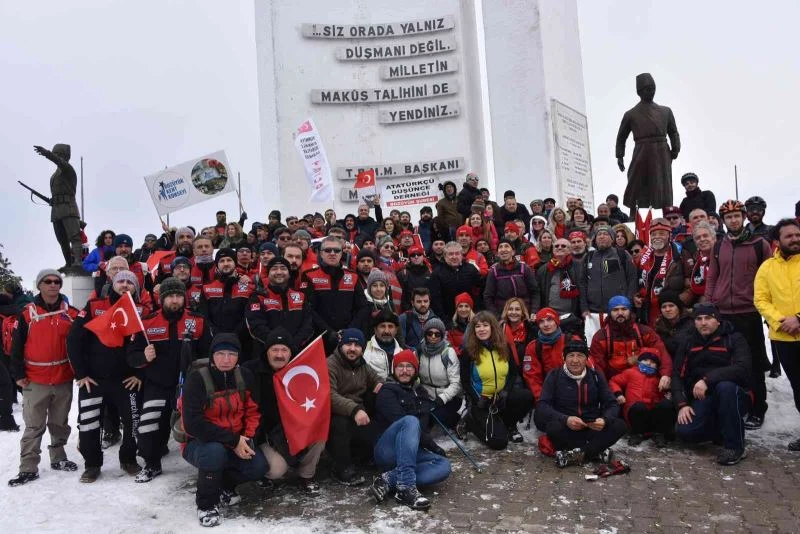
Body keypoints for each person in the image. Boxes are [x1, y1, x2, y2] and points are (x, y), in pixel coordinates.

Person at [127, 277, 210, 482]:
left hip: (190, 385)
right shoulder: (147, 322)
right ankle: (152, 464)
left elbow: (208, 353)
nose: (175, 301)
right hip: (158, 384)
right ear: (162, 299)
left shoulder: (197, 321)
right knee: (148, 426)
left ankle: (207, 466)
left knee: (199, 424)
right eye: (170, 296)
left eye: (178, 296)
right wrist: (142, 358)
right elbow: (131, 354)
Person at [180, 333, 266, 527]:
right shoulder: (197, 379)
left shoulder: (245, 376)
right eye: (220, 354)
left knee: (259, 466)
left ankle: (224, 486)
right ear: (212, 356)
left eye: (231, 354)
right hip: (199, 442)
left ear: (238, 357)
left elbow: (254, 412)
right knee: (214, 452)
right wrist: (233, 441)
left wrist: (248, 438)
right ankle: (207, 504)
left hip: (235, 439)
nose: (226, 360)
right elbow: (193, 423)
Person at [67, 271, 145, 482]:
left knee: (133, 422)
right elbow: (74, 340)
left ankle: (128, 459)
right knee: (89, 423)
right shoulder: (94, 306)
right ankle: (92, 464)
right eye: (121, 281)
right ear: (113, 283)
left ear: (136, 288)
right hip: (94, 380)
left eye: (130, 282)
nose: (125, 285)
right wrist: (81, 373)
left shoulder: (141, 310)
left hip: (126, 380)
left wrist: (139, 373)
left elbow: (146, 346)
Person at [7, 270, 80, 486]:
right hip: (35, 379)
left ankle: (58, 458)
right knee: (34, 426)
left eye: (57, 281)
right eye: (48, 281)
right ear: (39, 285)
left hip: (63, 377)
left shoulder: (71, 313)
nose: (53, 285)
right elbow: (16, 347)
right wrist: (18, 375)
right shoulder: (27, 313)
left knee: (59, 423)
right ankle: (28, 468)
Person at [705, 200, 772, 429]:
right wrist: (710, 301)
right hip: (723, 312)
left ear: (743, 217)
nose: (733, 220)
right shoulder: (718, 245)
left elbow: (769, 277)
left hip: (749, 312)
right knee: (726, 360)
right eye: (728, 217)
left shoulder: (759, 244)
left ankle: (757, 408)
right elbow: (713, 276)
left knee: (753, 362)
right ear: (723, 221)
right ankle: (735, 404)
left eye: (736, 216)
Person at [244, 328, 324, 493]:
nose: (279, 354)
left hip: (292, 428)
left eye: (284, 350)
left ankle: (306, 475)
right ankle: (262, 472)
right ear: (267, 352)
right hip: (262, 434)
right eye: (274, 349)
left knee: (320, 433)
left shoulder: (300, 372)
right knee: (277, 470)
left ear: (291, 353)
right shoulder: (249, 371)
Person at [672, 303, 752, 465]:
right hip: (704, 397)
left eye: (708, 318)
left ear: (718, 321)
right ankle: (722, 430)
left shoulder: (734, 338)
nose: (703, 323)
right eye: (699, 319)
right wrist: (681, 404)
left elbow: (742, 368)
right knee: (686, 431)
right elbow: (676, 375)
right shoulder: (689, 342)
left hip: (735, 394)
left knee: (726, 388)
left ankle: (735, 447)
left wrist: (707, 379)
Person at [371, 350, 451, 510]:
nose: (405, 370)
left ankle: (388, 480)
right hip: (388, 450)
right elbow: (404, 423)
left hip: (411, 451)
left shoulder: (421, 393)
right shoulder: (387, 391)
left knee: (443, 465)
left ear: (415, 370)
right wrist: (430, 444)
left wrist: (434, 447)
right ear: (394, 370)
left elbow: (423, 428)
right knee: (409, 421)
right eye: (400, 366)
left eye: (409, 366)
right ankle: (405, 487)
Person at [534, 336, 627, 467]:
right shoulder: (554, 375)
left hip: (591, 426)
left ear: (586, 358)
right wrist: (566, 419)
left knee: (619, 425)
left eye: (580, 356)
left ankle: (578, 454)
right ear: (564, 358)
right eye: (571, 355)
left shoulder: (595, 375)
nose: (575, 360)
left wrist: (604, 420)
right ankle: (595, 451)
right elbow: (543, 405)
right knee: (552, 428)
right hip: (566, 427)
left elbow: (611, 403)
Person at [754, 219, 800, 450]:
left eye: (797, 234)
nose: (795, 239)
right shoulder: (767, 267)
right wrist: (779, 320)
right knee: (798, 386)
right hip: (784, 337)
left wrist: (798, 319)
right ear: (778, 241)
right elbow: (761, 299)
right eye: (789, 236)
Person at [459, 312, 533, 448]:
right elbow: (465, 381)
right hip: (481, 401)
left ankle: (509, 425)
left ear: (492, 327)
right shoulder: (468, 352)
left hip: (500, 398)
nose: (481, 329)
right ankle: (469, 420)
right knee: (499, 442)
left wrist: (505, 391)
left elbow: (513, 373)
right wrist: (477, 399)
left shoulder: (504, 347)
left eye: (485, 325)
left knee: (526, 396)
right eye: (477, 326)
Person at [615, 73, 681, 214]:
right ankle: (637, 214)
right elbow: (621, 137)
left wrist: (675, 148)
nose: (650, 91)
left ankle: (665, 214)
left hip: (661, 151)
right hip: (641, 151)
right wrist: (619, 156)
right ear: (639, 92)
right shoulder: (631, 114)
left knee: (662, 186)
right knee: (637, 184)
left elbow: (673, 132)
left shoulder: (666, 111)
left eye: (652, 88)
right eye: (646, 89)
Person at [327, 329, 383, 486]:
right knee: (341, 424)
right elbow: (329, 395)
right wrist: (355, 409)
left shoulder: (362, 364)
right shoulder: (330, 364)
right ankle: (340, 467)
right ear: (341, 345)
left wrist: (382, 387)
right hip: (335, 415)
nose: (352, 348)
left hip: (358, 413)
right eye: (348, 344)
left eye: (357, 345)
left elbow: (377, 380)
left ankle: (362, 456)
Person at [301, 236, 365, 353]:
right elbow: (308, 309)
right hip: (319, 337)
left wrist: (349, 330)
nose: (332, 253)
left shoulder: (353, 276)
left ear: (341, 253)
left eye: (336, 250)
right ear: (321, 253)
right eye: (328, 250)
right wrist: (328, 332)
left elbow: (362, 307)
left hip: (347, 339)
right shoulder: (310, 276)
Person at [589, 296, 671, 384]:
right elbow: (598, 367)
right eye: (615, 310)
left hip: (644, 380)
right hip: (613, 382)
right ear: (609, 312)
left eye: (624, 309)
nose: (620, 313)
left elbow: (661, 352)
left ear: (630, 311)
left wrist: (665, 375)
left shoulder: (644, 331)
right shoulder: (600, 337)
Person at [33, 144, 84, 272]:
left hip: (69, 208)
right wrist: (53, 200)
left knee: (74, 237)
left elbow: (59, 162)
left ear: (63, 156)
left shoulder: (68, 169)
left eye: (57, 154)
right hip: (56, 210)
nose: (56, 157)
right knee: (62, 240)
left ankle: (77, 262)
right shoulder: (54, 175)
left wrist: (47, 153)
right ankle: (68, 263)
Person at [246, 256, 313, 355]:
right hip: (266, 354)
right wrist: (278, 346)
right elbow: (256, 326)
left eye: (283, 268)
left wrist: (292, 345)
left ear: (289, 274)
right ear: (268, 274)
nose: (279, 272)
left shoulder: (301, 296)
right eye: (274, 269)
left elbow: (308, 325)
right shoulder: (258, 297)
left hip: (296, 353)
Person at [610, 348, 674, 447]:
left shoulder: (658, 378)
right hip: (635, 412)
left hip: (652, 414)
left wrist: (668, 394)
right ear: (639, 361)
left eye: (652, 362)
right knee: (639, 407)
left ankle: (659, 433)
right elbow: (614, 381)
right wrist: (618, 394)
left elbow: (664, 394)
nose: (648, 363)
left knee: (666, 405)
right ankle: (637, 433)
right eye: (645, 360)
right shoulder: (630, 372)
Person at [634, 218, 687, 327]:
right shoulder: (642, 257)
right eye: (653, 234)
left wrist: (679, 301)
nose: (657, 237)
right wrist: (636, 295)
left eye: (662, 233)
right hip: (646, 311)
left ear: (669, 236)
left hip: (670, 312)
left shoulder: (680, 255)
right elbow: (635, 280)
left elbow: (689, 282)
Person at [580, 225, 637, 316]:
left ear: (612, 239)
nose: (602, 236)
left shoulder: (621, 254)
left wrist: (628, 303)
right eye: (599, 234)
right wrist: (584, 308)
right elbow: (582, 283)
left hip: (618, 309)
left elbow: (632, 279)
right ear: (595, 239)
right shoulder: (588, 257)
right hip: (593, 311)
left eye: (606, 234)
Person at [415, 318, 462, 428]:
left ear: (442, 335)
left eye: (437, 334)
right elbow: (415, 376)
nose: (433, 337)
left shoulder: (448, 352)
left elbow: (456, 383)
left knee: (436, 417)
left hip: (445, 396)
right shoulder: (420, 350)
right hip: (426, 395)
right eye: (430, 333)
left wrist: (443, 398)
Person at [429, 242, 482, 322]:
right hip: (447, 317)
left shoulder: (471, 269)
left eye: (457, 254)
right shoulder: (437, 273)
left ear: (461, 255)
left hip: (470, 316)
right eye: (450, 254)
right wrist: (444, 320)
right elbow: (435, 299)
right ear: (445, 256)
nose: (454, 257)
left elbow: (480, 290)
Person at [522, 308, 567, 403]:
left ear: (556, 322)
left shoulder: (571, 341)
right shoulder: (533, 347)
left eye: (549, 319)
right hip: (546, 395)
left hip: (571, 393)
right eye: (541, 321)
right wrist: (542, 400)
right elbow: (532, 378)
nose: (546, 324)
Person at [484, 240, 539, 316]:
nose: (503, 249)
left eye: (506, 246)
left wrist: (534, 311)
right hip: (503, 315)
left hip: (524, 313)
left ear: (513, 252)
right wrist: (496, 317)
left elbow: (535, 292)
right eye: (500, 247)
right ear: (497, 254)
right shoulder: (494, 272)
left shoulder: (524, 268)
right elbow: (488, 297)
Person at [536, 238, 586, 318]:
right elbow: (537, 293)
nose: (559, 247)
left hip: (573, 316)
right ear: (553, 250)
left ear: (570, 250)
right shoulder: (544, 269)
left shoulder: (579, 267)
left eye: (563, 246)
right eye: (556, 246)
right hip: (550, 317)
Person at [352, 270, 396, 340]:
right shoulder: (364, 305)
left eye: (382, 285)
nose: (378, 289)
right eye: (375, 285)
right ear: (369, 288)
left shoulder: (390, 305)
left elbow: (397, 331)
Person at [363, 309, 404, 380]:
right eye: (382, 326)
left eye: (390, 326)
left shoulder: (403, 352)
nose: (386, 331)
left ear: (396, 330)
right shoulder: (364, 350)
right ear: (375, 329)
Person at [653, 290, 694, 360]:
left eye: (671, 306)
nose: (667, 309)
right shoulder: (658, 327)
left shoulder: (691, 325)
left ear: (678, 307)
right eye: (664, 307)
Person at [685, 221, 717, 306]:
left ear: (714, 238)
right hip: (698, 302)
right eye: (698, 238)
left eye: (705, 236)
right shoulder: (693, 259)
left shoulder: (723, 256)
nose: (702, 239)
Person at [396, 246, 432, 312]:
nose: (416, 257)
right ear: (409, 258)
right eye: (413, 255)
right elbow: (401, 297)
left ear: (423, 256)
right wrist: (408, 311)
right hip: (408, 311)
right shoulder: (403, 274)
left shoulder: (430, 272)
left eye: (419, 254)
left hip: (428, 310)